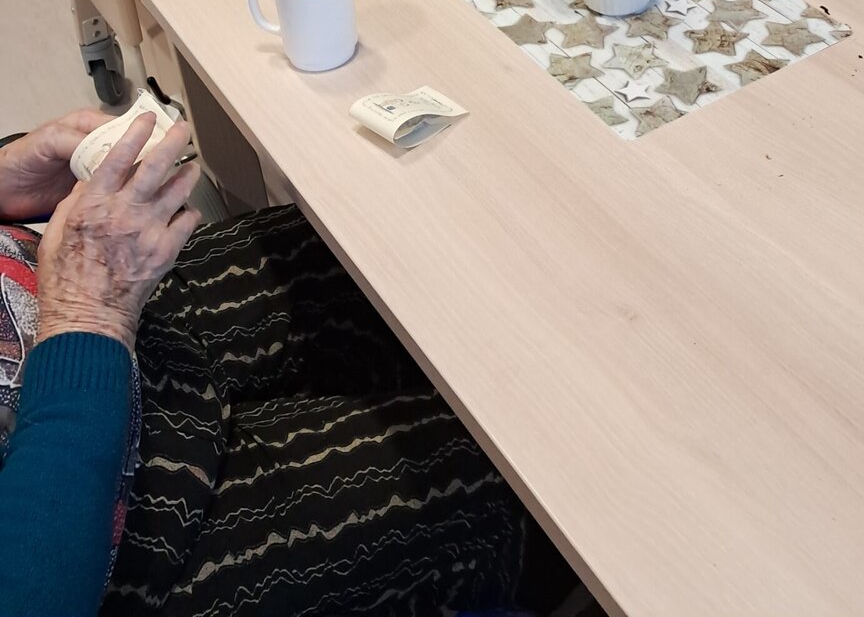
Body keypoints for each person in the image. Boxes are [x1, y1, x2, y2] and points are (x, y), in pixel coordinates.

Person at [0, 110, 570, 616]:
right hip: (90, 526)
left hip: (75, 314)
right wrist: (87, 316)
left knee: (398, 261)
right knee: (517, 474)